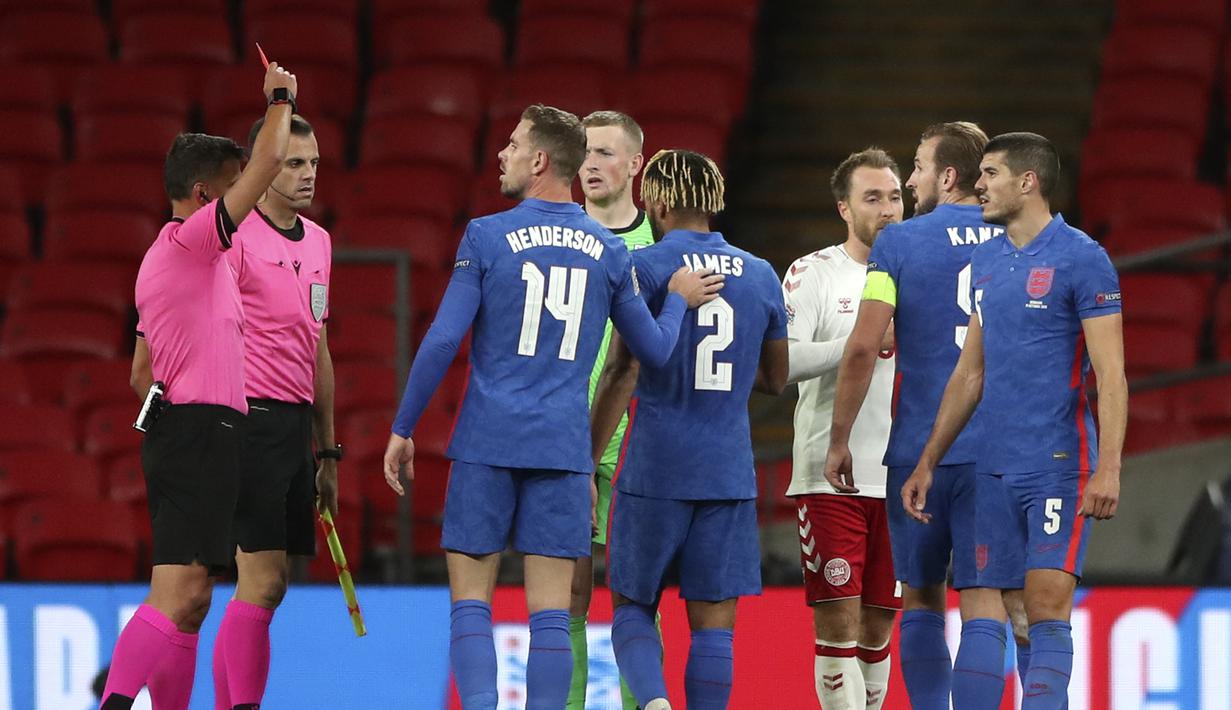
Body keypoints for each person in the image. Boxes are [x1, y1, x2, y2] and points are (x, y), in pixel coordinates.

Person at [381, 105, 723, 709]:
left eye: (513, 145)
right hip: (565, 453)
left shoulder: (486, 235)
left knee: (471, 605)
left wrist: (404, 425)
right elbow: (654, 353)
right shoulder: (611, 251)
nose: (502, 154)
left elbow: (440, 339)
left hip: (487, 441)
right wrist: (675, 301)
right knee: (552, 616)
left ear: (539, 160)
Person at [901, 132, 1126, 709]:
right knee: (1014, 607)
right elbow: (968, 376)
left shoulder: (1083, 257)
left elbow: (1111, 374)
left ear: (1028, 182)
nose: (980, 185)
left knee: (1046, 601)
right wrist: (929, 458)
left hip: (1058, 463)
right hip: (992, 468)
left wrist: (1109, 469)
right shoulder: (987, 259)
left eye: (992, 174)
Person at [101, 62, 298, 710]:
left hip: (197, 430)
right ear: (198, 192)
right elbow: (269, 164)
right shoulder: (190, 243)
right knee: (178, 596)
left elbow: (139, 373)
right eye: (228, 186)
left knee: (193, 604)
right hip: (197, 429)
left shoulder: (176, 257)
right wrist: (280, 99)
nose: (242, 194)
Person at [823, 123, 1036, 709]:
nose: (909, 180)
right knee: (985, 599)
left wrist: (839, 438)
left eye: (917, 166)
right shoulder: (1019, 240)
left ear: (947, 176)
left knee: (919, 597)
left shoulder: (899, 244)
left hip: (918, 452)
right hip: (997, 453)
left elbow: (865, 346)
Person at [592, 149, 790, 710]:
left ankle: (653, 702)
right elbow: (775, 379)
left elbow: (621, 370)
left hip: (654, 463)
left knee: (632, 606)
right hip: (727, 469)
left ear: (656, 200)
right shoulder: (760, 273)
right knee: (713, 627)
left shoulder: (646, 267)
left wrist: (586, 460)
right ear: (714, 201)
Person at [213, 113, 338, 709]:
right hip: (247, 421)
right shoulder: (233, 238)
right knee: (263, 583)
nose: (309, 174)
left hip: (293, 429)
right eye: (293, 162)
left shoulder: (320, 242)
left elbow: (318, 347)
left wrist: (327, 450)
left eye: (313, 163)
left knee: (262, 587)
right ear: (260, 168)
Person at [782, 147, 902, 710]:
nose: (887, 209)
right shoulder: (815, 272)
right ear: (844, 210)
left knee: (878, 630)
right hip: (831, 480)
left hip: (901, 476)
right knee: (839, 624)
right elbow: (784, 362)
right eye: (872, 198)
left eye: (895, 196)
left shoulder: (919, 272)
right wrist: (859, 343)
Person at [568, 109, 655, 710]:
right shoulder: (557, 236)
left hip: (639, 443)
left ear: (636, 164)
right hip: (566, 437)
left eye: (604, 152)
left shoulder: (662, 248)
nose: (591, 164)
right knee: (565, 596)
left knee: (632, 598)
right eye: (584, 153)